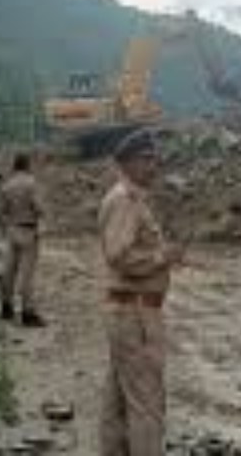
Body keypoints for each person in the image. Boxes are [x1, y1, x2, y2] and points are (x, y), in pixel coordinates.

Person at [98, 129, 185, 455]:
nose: (154, 166)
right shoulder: (125, 200)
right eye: (147, 160)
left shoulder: (128, 198)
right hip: (134, 313)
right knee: (147, 403)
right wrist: (163, 256)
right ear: (128, 162)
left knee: (119, 399)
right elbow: (119, 255)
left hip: (129, 310)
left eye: (155, 159)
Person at [0, 152, 46, 327]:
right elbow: (39, 207)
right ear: (27, 165)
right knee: (27, 275)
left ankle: (6, 307)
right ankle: (28, 312)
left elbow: (3, 210)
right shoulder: (31, 184)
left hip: (11, 230)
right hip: (28, 230)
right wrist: (42, 215)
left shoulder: (7, 185)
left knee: (9, 271)